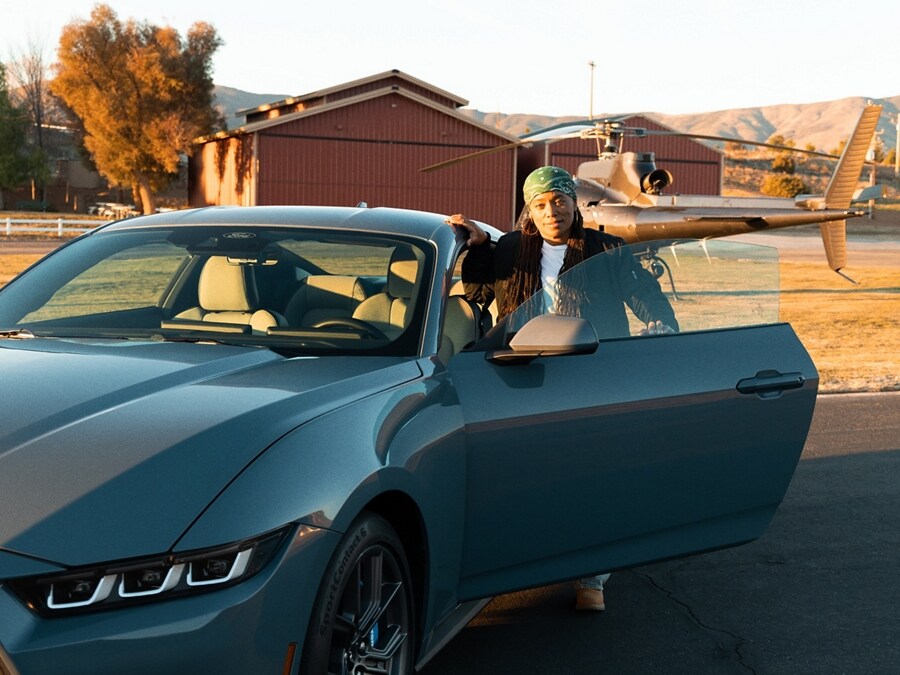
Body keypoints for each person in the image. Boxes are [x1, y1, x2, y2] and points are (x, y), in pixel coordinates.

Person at [446, 165, 678, 611]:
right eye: (540, 204)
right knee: (524, 475)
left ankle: (591, 577)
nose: (552, 211)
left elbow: (643, 293)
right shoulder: (509, 249)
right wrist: (476, 247)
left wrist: (659, 321)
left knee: (593, 475)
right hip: (521, 371)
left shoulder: (606, 249)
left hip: (592, 372)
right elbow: (476, 294)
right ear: (529, 211)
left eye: (559, 200)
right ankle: (517, 561)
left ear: (574, 203)